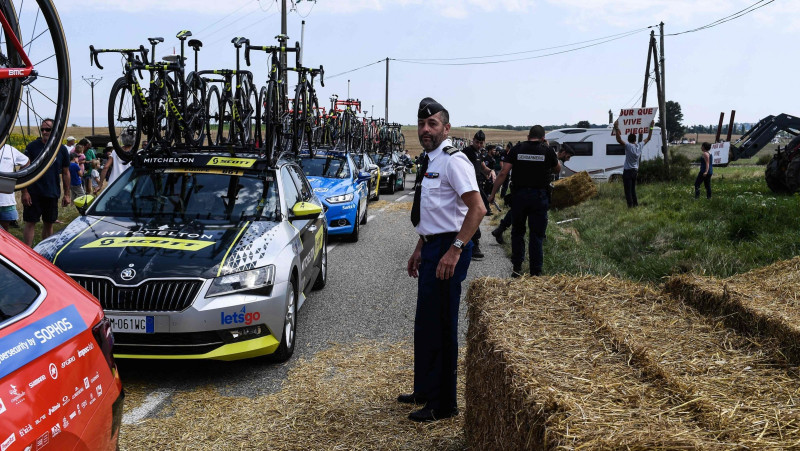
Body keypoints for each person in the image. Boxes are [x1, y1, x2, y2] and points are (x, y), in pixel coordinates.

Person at [401, 97, 485, 423]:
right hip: (432, 247)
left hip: (450, 250)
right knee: (425, 324)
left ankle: (444, 404)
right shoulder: (429, 159)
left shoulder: (454, 161)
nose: (425, 129)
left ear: (446, 128)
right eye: (422, 124)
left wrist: (455, 249)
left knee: (442, 326)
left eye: (432, 123)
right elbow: (434, 212)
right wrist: (420, 246)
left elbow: (477, 209)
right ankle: (424, 389)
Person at [488, 125, 560, 277]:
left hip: (519, 197)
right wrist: (547, 148)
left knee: (518, 232)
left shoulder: (517, 149)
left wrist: (493, 194)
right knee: (536, 235)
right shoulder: (547, 150)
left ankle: (517, 268)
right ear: (543, 138)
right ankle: (535, 272)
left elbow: (503, 173)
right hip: (539, 198)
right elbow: (557, 169)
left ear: (528, 136)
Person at [21, 119, 71, 246]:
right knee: (30, 222)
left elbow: (66, 172)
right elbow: (23, 170)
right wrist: (24, 192)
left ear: (54, 130)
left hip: (51, 192)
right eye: (42, 129)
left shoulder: (61, 149)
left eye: (47, 129)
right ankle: (27, 250)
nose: (44, 131)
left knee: (49, 223)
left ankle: (44, 251)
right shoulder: (32, 147)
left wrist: (67, 194)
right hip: (34, 192)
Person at [460, 130, 493, 260]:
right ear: (473, 140)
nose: (479, 145)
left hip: (477, 186)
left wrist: (491, 172)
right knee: (474, 214)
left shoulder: (479, 153)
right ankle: (473, 245)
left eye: (481, 143)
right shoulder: (466, 153)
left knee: (478, 213)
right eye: (477, 142)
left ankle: (470, 243)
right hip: (468, 188)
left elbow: (483, 167)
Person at [613, 119, 654, 208]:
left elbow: (618, 139)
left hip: (627, 171)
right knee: (633, 189)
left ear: (628, 139)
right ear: (635, 139)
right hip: (635, 171)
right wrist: (651, 126)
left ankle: (630, 206)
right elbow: (649, 138)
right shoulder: (639, 146)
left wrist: (616, 128)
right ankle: (635, 204)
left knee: (628, 190)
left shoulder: (628, 146)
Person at [0, 144, 29, 231]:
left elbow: (26, 162)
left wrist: (18, 178)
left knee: (5, 232)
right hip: (6, 197)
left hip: (6, 200)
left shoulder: (10, 149)